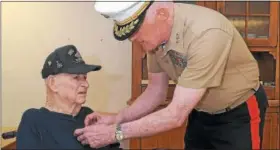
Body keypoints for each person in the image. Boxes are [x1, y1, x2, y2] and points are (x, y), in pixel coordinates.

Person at [74, 1, 269, 150]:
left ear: (162, 13)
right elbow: (155, 92)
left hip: (237, 111)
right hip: (200, 112)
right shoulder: (155, 38)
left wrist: (115, 133)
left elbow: (175, 115)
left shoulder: (207, 33)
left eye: (136, 30)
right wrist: (118, 118)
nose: (133, 38)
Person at [16, 45, 120, 149]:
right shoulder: (34, 120)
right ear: (53, 83)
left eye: (84, 77)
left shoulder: (88, 115)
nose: (86, 84)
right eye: (76, 77)